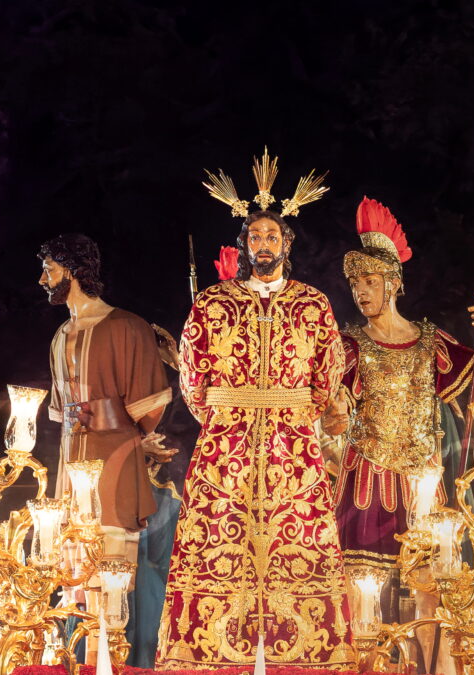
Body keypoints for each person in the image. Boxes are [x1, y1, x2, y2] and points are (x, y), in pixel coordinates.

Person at [156, 151, 354, 669]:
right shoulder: (213, 303)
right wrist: (225, 416)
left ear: (287, 244)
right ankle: (209, 654)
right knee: (220, 536)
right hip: (227, 443)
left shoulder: (312, 303)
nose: (264, 244)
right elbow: (192, 374)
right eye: (256, 236)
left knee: (299, 540)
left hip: (293, 442)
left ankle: (303, 657)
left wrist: (299, 411)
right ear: (245, 244)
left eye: (272, 236)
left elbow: (329, 368)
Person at [321, 197, 474, 672]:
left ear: (393, 283)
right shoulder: (347, 345)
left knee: (432, 594)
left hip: (422, 484)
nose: (361, 292)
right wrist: (332, 419)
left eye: (369, 282)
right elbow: (324, 410)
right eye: (355, 284)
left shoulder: (430, 342)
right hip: (366, 480)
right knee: (361, 594)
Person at [37, 233, 176, 663]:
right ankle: (79, 662)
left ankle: (108, 661)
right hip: (70, 465)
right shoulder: (59, 336)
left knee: (111, 576)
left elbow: (148, 407)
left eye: (49, 269)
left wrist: (119, 427)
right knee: (74, 577)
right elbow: (62, 412)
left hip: (114, 459)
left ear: (73, 270)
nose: (43, 279)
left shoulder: (128, 327)